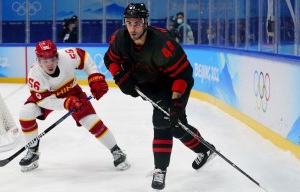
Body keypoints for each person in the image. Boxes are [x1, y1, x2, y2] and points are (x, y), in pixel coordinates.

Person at [104, 3, 216, 191]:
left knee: (164, 120)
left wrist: (177, 102)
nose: (132, 28)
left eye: (137, 23)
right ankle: (205, 149)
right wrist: (119, 77)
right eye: (129, 23)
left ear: (145, 23)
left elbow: (183, 75)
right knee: (177, 126)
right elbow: (110, 59)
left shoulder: (163, 44)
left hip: (173, 84)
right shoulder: (120, 38)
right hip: (149, 85)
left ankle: (160, 170)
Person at [18, 39, 130, 172]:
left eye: (52, 59)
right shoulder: (35, 75)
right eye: (45, 61)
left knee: (90, 121)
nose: (49, 64)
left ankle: (116, 150)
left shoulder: (66, 56)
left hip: (73, 92)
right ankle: (33, 152)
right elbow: (44, 101)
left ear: (57, 56)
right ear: (38, 60)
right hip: (49, 97)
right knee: (26, 112)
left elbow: (84, 57)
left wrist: (94, 76)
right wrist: (65, 103)